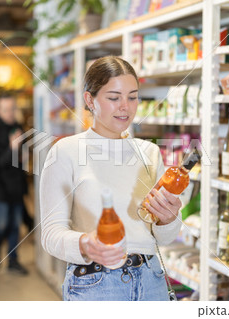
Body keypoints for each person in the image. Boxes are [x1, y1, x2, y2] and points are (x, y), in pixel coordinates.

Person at [39, 56, 183, 301]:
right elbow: (51, 234)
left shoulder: (149, 152)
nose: (125, 107)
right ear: (90, 100)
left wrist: (168, 219)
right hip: (96, 285)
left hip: (152, 282)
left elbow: (165, 238)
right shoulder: (66, 151)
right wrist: (86, 244)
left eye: (133, 96)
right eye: (114, 98)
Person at [0, 93, 29, 275]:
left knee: (16, 224)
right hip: (1, 187)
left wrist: (22, 154)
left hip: (18, 185)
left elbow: (20, 158)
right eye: (6, 110)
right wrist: (13, 148)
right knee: (2, 225)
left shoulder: (18, 127)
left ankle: (13, 260)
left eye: (13, 108)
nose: (10, 113)